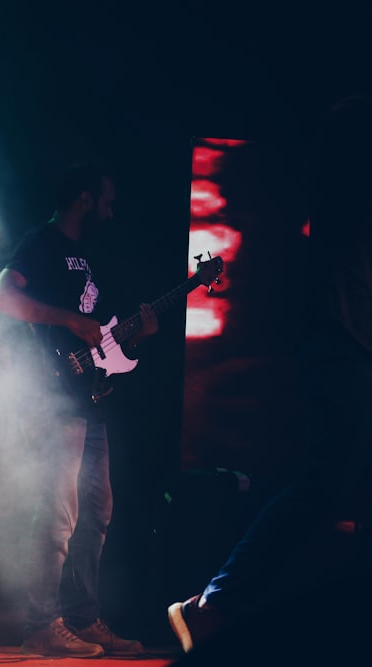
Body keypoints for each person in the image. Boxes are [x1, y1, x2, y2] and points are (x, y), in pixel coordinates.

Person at [166, 97, 372, 662]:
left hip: (350, 341)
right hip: (346, 343)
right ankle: (213, 606)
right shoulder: (351, 139)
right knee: (325, 486)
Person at [0, 161, 157, 658]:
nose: (111, 209)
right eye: (106, 200)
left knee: (97, 512)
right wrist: (68, 319)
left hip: (92, 401)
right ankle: (40, 624)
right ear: (84, 198)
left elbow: (97, 331)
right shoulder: (41, 243)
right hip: (54, 396)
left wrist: (135, 331)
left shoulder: (88, 256)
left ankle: (82, 619)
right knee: (60, 513)